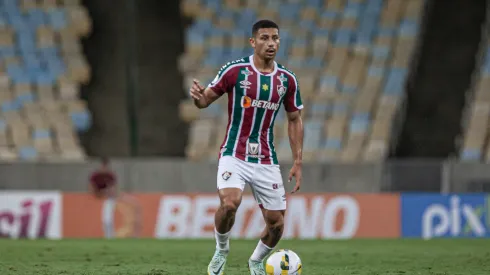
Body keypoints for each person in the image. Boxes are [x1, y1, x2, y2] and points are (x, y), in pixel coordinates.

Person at [189, 20, 304, 275]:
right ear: (253, 42)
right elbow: (206, 99)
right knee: (230, 203)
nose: (271, 43)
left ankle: (256, 262)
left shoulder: (287, 80)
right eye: (264, 38)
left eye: (275, 38)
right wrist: (198, 99)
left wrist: (297, 161)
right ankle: (221, 250)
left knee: (277, 224)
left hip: (266, 158)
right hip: (234, 153)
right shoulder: (235, 71)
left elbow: (295, 119)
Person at [88, 157, 141, 238]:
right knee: (105, 220)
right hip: (99, 197)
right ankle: (108, 235)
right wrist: (99, 194)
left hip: (109, 198)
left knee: (108, 219)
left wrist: (111, 194)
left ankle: (110, 236)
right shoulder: (96, 176)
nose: (104, 168)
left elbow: (114, 188)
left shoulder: (110, 175)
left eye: (106, 166)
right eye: (103, 166)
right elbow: (91, 188)